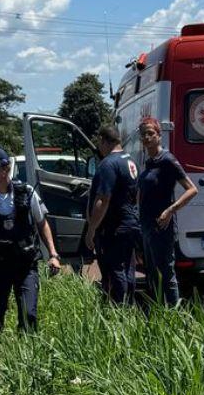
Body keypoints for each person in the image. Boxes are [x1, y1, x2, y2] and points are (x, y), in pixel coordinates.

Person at [0, 147, 61, 338]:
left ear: (5, 169)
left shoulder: (26, 193)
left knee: (28, 314)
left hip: (25, 265)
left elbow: (42, 224)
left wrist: (53, 255)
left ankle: (27, 356)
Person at [136, 117, 197, 306]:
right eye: (143, 134)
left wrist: (170, 210)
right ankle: (157, 314)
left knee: (165, 272)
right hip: (146, 226)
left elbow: (192, 189)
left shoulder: (167, 160)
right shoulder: (149, 162)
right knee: (152, 273)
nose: (147, 138)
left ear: (159, 136)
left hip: (162, 227)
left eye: (150, 133)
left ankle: (173, 314)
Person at [83, 125, 140, 304]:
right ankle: (129, 307)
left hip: (113, 227)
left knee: (114, 270)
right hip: (130, 223)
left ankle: (118, 310)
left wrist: (91, 229)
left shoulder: (108, 164)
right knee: (128, 269)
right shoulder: (130, 161)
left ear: (103, 140)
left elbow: (102, 200)